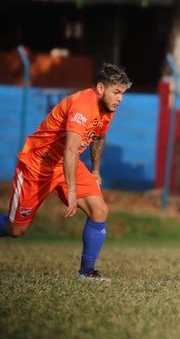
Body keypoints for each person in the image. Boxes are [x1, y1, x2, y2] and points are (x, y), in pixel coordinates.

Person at [0, 63, 132, 281]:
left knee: (99, 210)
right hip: (38, 165)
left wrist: (96, 170)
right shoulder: (82, 105)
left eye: (123, 93)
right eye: (116, 92)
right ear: (100, 88)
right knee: (16, 230)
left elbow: (98, 137)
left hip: (67, 163)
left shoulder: (107, 108)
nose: (120, 99)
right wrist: (71, 190)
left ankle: (87, 273)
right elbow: (71, 149)